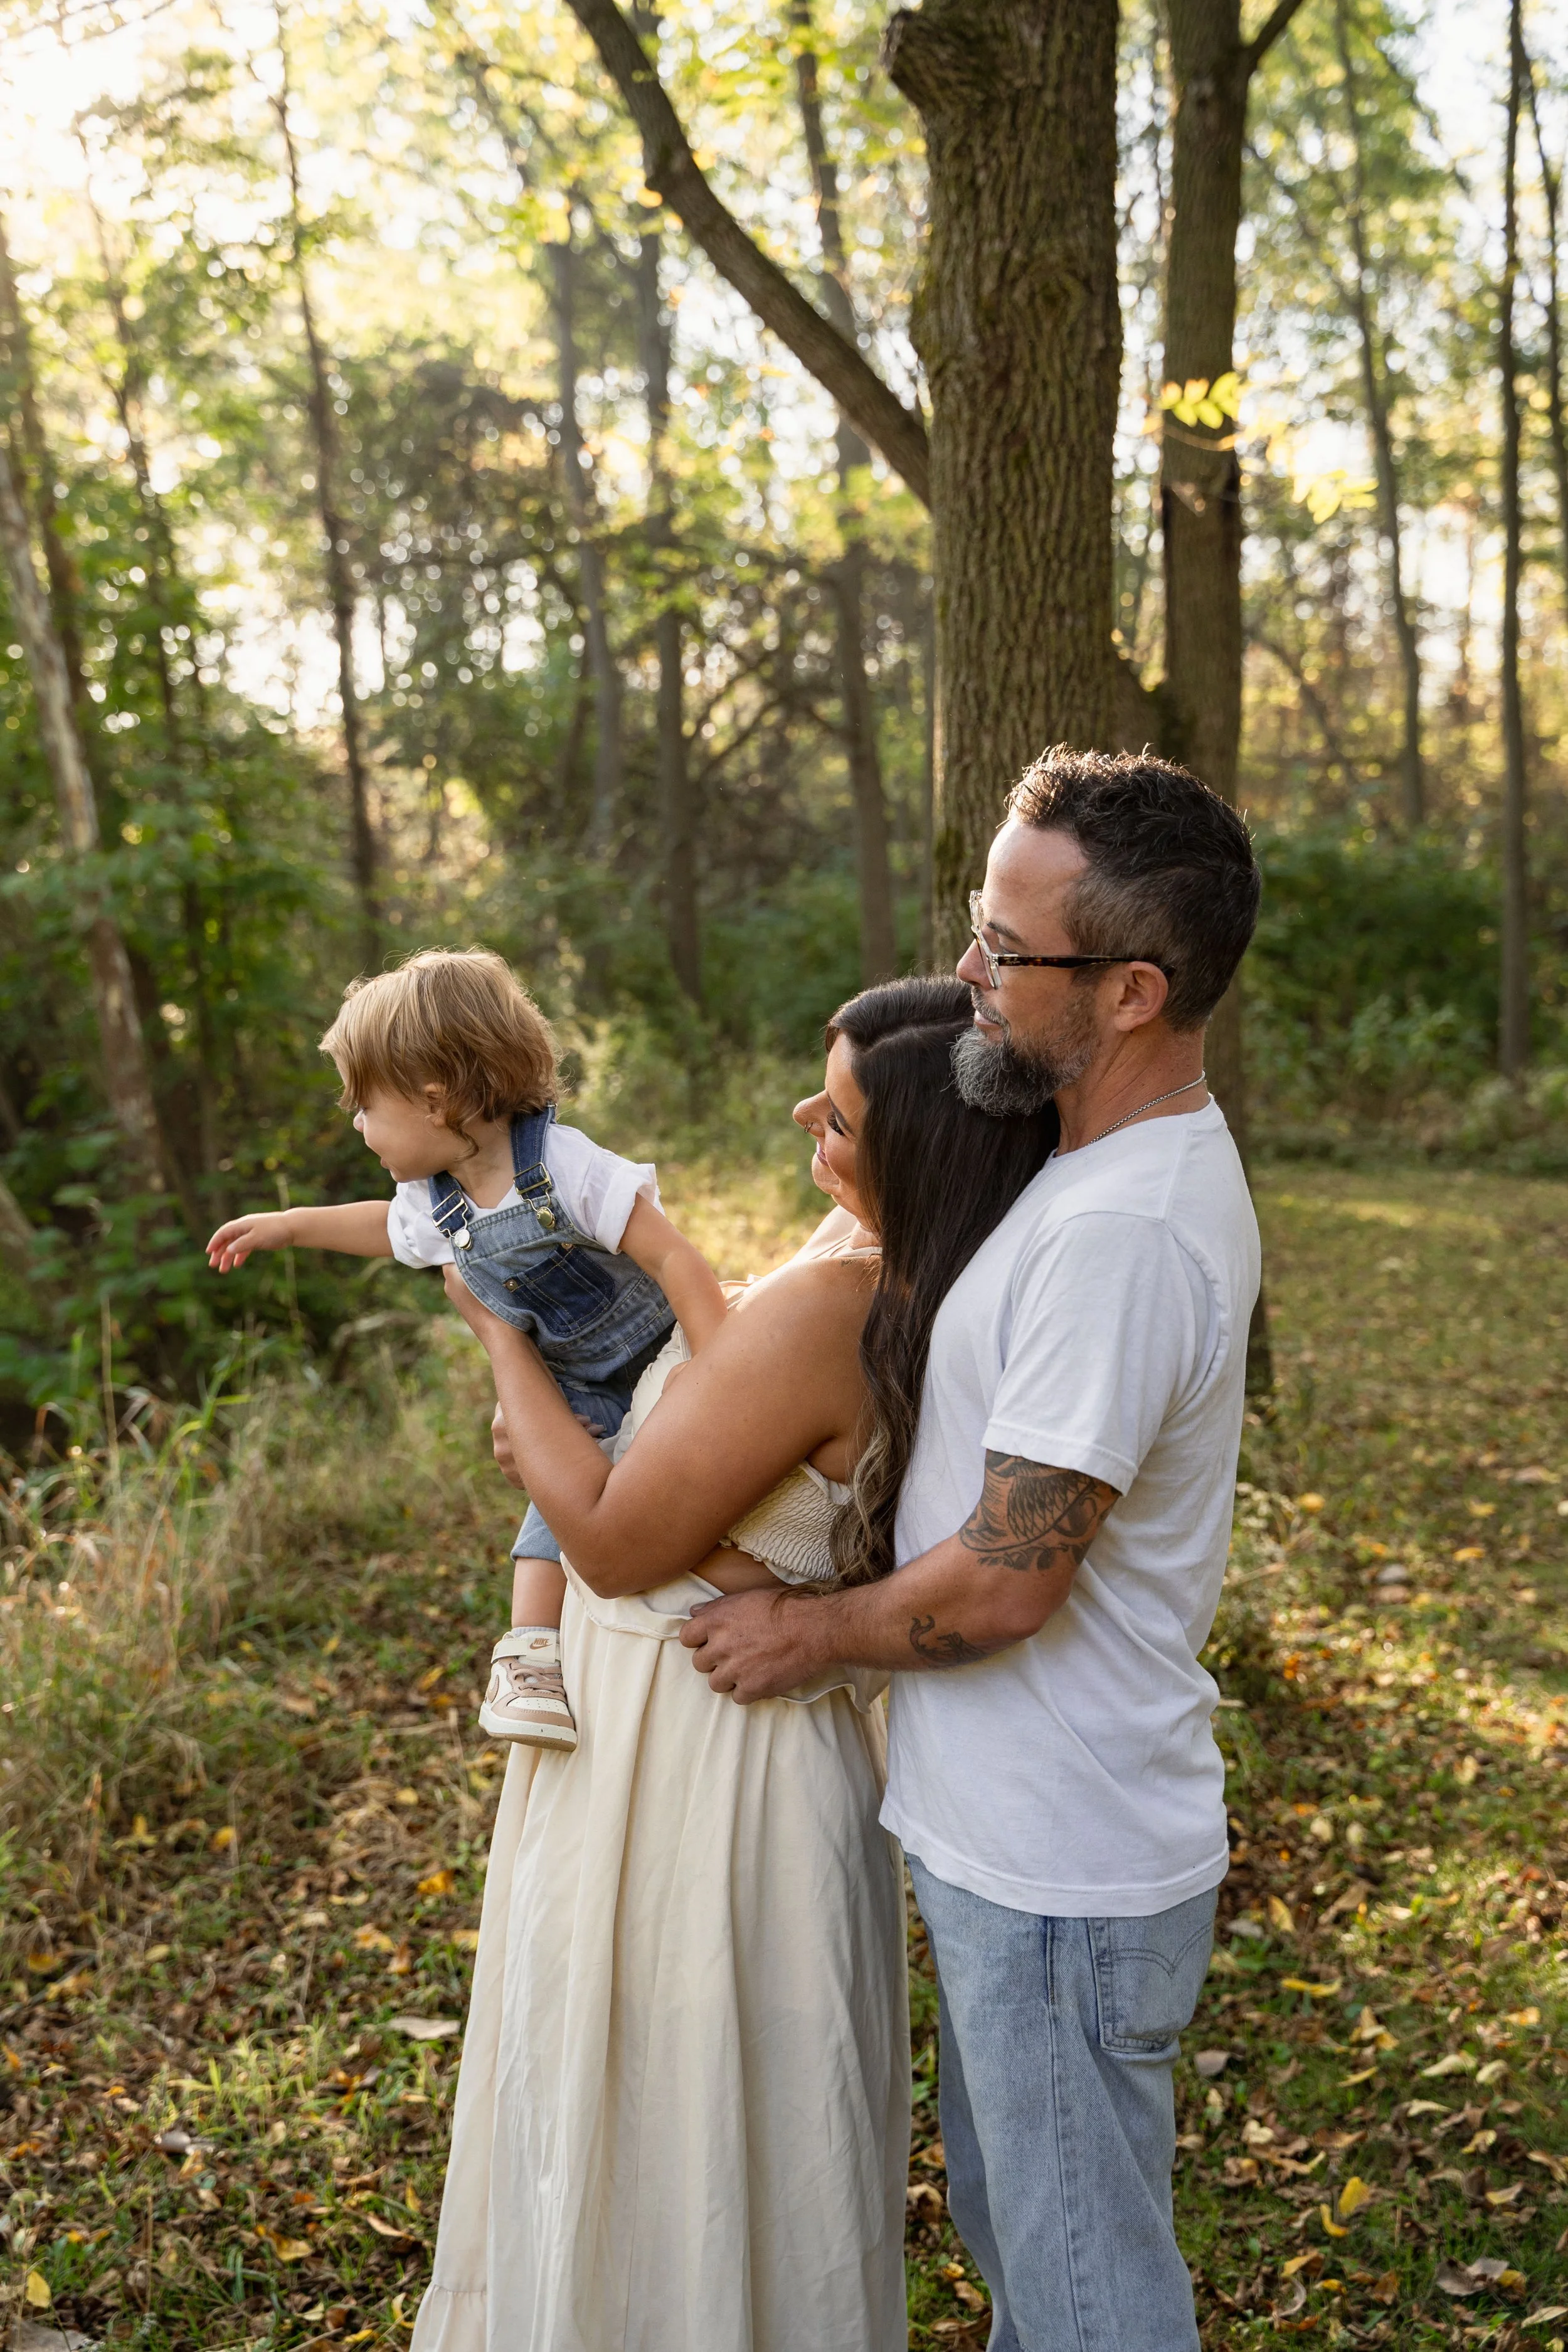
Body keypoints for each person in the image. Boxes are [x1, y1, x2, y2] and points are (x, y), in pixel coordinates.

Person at [681, 749, 1264, 2352]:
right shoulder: (1082, 1171)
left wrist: (807, 1631)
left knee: (1085, 2302)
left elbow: (1012, 1575)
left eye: (1007, 950)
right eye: (976, 928)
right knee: (1035, 2260)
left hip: (1063, 1859)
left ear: (1135, 988)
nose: (970, 974)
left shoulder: (1122, 1233)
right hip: (1019, 1844)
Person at [411, 977, 1054, 2352]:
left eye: (833, 1113)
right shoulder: (918, 1265)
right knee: (697, 2121)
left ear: (919, 1151)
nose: (800, 1116)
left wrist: (503, 1346)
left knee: (671, 2116)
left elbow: (604, 1540)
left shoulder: (832, 1304)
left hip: (694, 1761)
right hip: (705, 1733)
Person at [204, 946, 726, 1751]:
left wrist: (716, 1364)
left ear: (436, 1101)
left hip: (660, 1357)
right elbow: (382, 1227)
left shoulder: (560, 1164)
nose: (355, 1124)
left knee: (696, 1485)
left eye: (364, 1105)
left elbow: (673, 1258)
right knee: (553, 1509)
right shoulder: (434, 1201)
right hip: (572, 1390)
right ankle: (534, 1657)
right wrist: (289, 1225)